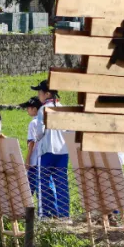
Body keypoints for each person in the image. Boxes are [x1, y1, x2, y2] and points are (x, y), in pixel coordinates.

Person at [32, 80, 70, 219]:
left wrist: (36, 137)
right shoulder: (62, 107)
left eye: (39, 92)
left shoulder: (43, 109)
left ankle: (44, 214)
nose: (38, 95)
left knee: (43, 183)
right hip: (63, 151)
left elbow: (40, 132)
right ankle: (64, 215)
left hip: (47, 150)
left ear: (47, 93)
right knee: (62, 184)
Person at [24, 97, 43, 196]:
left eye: (28, 108)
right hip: (42, 159)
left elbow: (32, 143)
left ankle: (28, 211)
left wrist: (27, 159)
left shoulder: (33, 123)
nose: (27, 110)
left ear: (35, 109)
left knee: (29, 189)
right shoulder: (43, 120)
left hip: (34, 160)